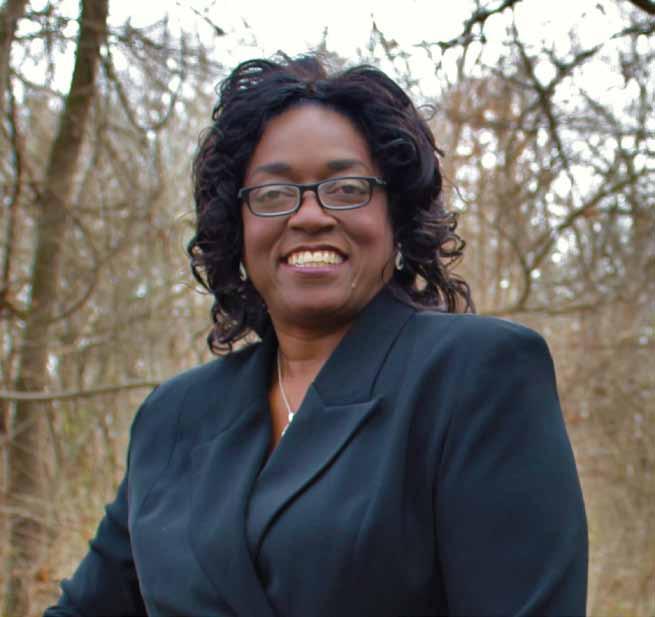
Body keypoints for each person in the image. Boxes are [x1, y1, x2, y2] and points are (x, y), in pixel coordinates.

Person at [45, 54, 588, 616]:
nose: (309, 216)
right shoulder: (173, 419)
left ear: (396, 216)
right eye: (273, 193)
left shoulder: (476, 376)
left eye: (347, 188)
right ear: (237, 228)